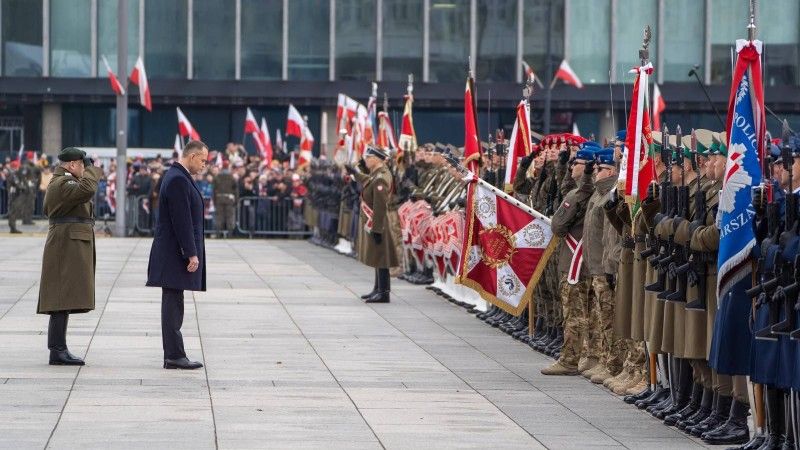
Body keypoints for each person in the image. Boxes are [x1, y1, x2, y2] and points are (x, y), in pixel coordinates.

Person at [146, 140, 208, 370]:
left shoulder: (177, 177)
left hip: (173, 253)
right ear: (191, 156)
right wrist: (190, 253)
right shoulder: (178, 180)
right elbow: (181, 220)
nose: (204, 165)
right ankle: (173, 355)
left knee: (174, 302)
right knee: (172, 304)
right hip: (174, 254)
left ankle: (174, 353)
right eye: (202, 160)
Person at [37, 147, 102, 365]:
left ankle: (59, 348)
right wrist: (93, 170)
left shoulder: (63, 183)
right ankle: (57, 350)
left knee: (63, 297)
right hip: (65, 243)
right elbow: (87, 190)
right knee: (60, 297)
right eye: (83, 166)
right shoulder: (63, 183)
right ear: (73, 164)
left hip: (68, 241)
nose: (85, 170)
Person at [347, 146, 398, 303]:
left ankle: (384, 293)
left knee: (382, 258)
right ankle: (378, 289)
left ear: (377, 159)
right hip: (378, 222)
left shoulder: (381, 177)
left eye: (369, 157)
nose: (366, 160)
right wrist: (355, 173)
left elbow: (380, 206)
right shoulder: (377, 174)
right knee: (378, 257)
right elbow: (368, 180)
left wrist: (377, 229)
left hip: (380, 222)